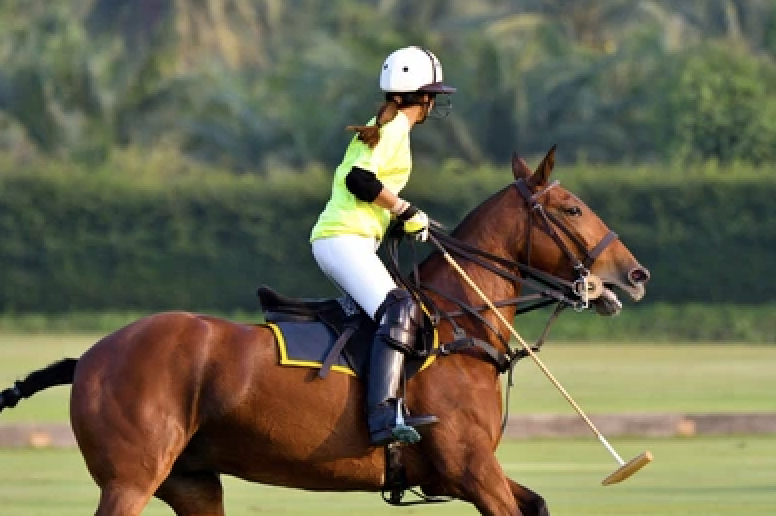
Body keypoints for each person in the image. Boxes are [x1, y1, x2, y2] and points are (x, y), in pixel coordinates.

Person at [310, 46, 456, 446]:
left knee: (388, 312)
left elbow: (365, 189)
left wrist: (399, 222)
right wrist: (404, 208)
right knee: (401, 309)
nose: (434, 103)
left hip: (348, 238)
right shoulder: (393, 131)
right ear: (421, 97)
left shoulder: (386, 126)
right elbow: (359, 180)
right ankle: (383, 417)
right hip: (344, 238)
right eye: (433, 94)